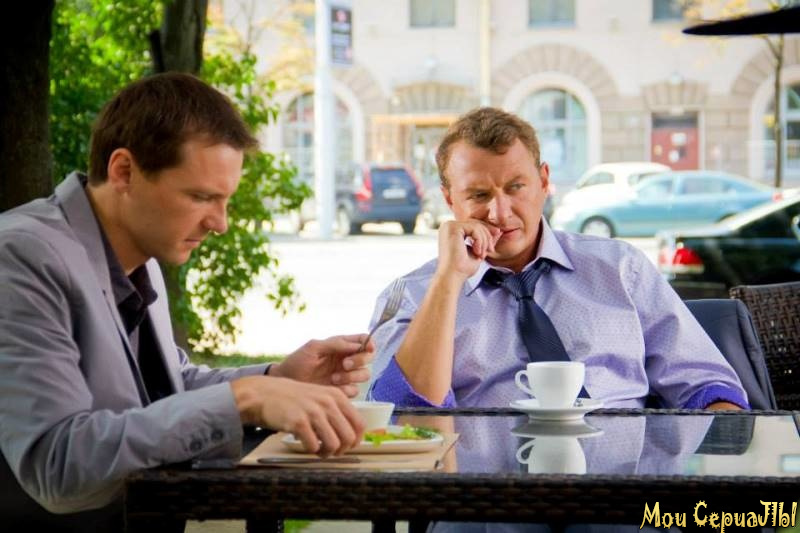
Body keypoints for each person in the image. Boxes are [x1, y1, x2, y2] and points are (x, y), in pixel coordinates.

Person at [0, 73, 373, 525]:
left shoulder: (140, 255)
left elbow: (166, 388)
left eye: (225, 200)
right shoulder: (21, 255)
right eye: (201, 197)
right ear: (124, 171)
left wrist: (277, 378)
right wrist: (245, 399)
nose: (221, 224)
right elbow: (56, 465)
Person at [367, 107, 747, 411]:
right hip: (484, 482)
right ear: (450, 199)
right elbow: (403, 414)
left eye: (516, 187)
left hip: (621, 474)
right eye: (479, 195)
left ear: (545, 181)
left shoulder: (621, 269)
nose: (500, 213)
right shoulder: (413, 296)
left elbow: (708, 386)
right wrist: (448, 281)